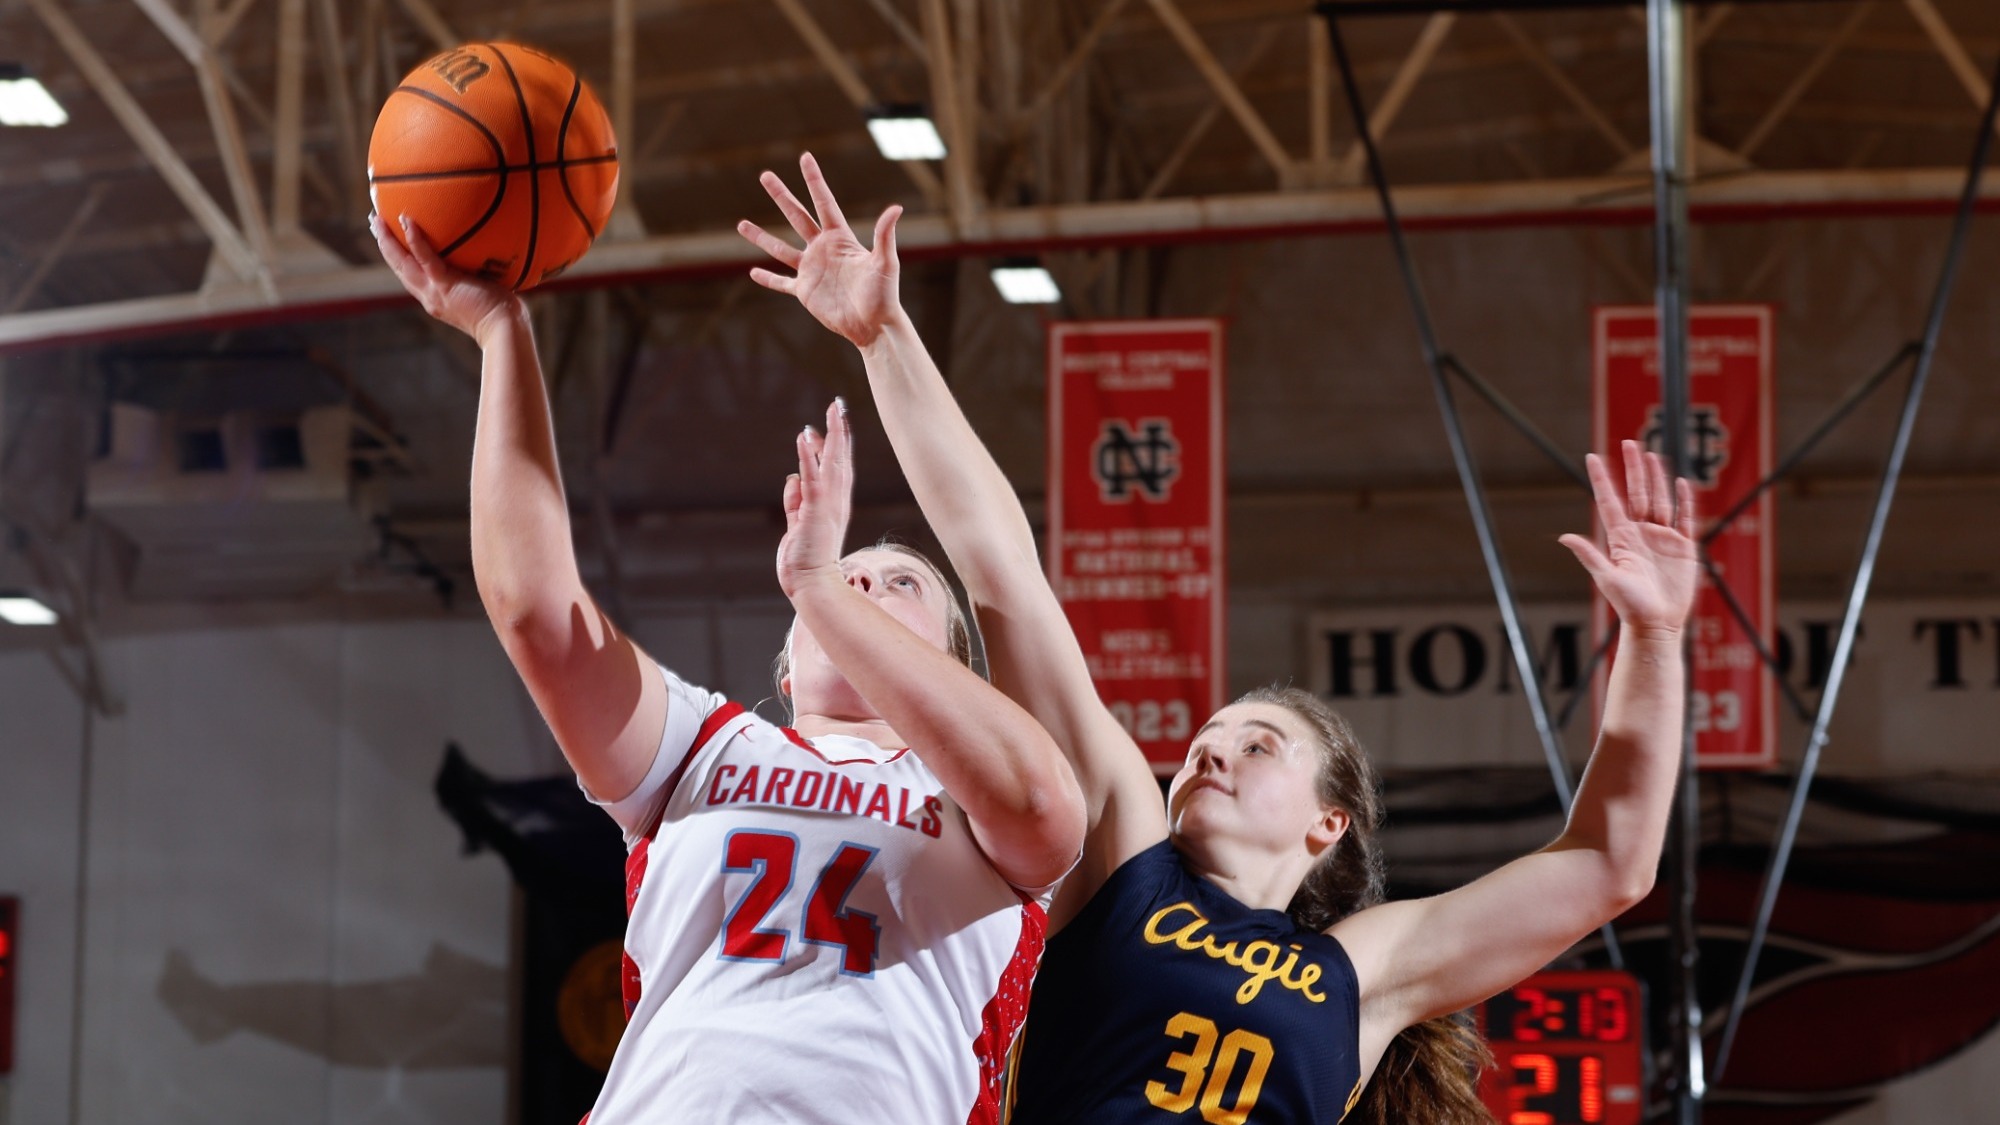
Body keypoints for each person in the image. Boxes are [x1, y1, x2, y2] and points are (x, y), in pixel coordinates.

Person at [740, 153, 1699, 1124]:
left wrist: (1655, 634)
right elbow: (1001, 572)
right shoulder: (1123, 854)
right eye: (1207, 738)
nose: (1210, 751)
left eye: (1257, 744)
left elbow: (1610, 864)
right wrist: (885, 337)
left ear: (1328, 824)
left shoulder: (1365, 970)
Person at [370, 211, 1086, 1125]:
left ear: (946, 667)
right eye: (850, 573)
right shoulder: (704, 748)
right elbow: (537, 614)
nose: (865, 578)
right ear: (785, 671)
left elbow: (1041, 805)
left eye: (902, 583)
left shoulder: (975, 796)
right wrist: (500, 330)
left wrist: (821, 585)